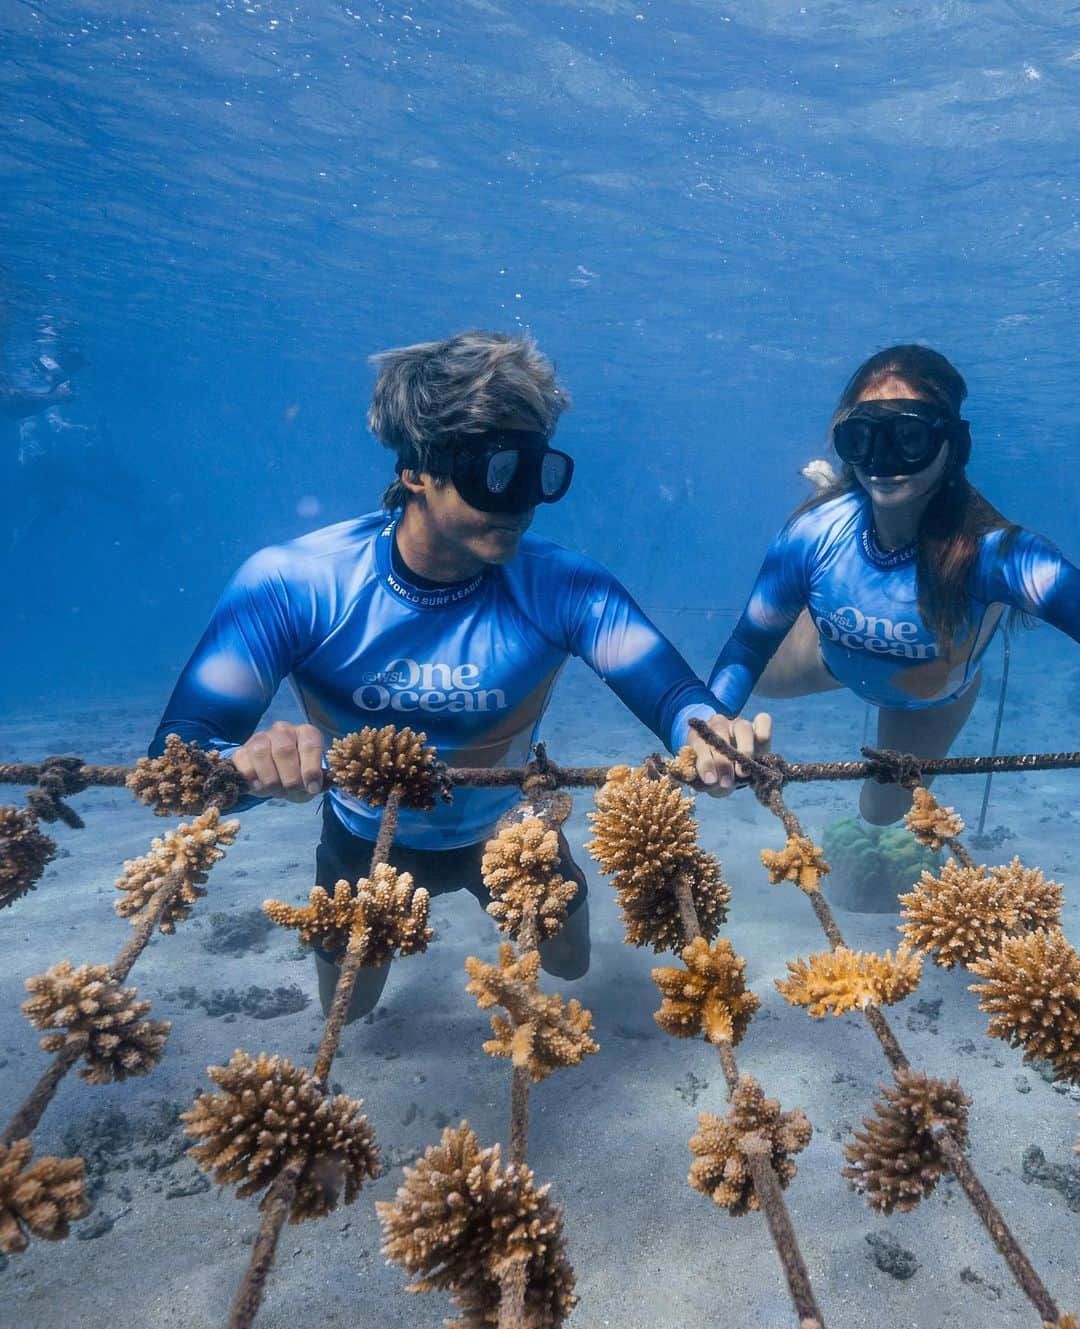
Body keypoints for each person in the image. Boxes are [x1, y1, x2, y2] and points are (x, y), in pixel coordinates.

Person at [150, 331, 769, 1021]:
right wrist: (244, 769)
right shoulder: (292, 586)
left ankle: (543, 837)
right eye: (494, 473)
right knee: (346, 1012)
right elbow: (177, 763)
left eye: (539, 472)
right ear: (417, 467)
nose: (520, 500)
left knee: (571, 963)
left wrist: (707, 732)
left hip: (507, 829)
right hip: (363, 834)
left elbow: (676, 697)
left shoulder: (567, 589)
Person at [707, 344, 1079, 824]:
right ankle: (820, 583)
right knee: (760, 680)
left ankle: (961, 612)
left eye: (908, 436)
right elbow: (746, 646)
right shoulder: (812, 531)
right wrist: (709, 730)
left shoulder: (999, 555)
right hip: (830, 658)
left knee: (880, 813)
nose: (883, 462)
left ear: (952, 445)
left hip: (929, 694)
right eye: (862, 438)